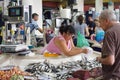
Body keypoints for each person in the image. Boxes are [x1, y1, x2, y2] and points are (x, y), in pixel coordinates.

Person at [96, 10, 120, 80]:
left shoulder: (110, 32)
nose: (99, 25)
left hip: (114, 76)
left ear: (106, 21)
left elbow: (110, 61)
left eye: (100, 22)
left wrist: (99, 59)